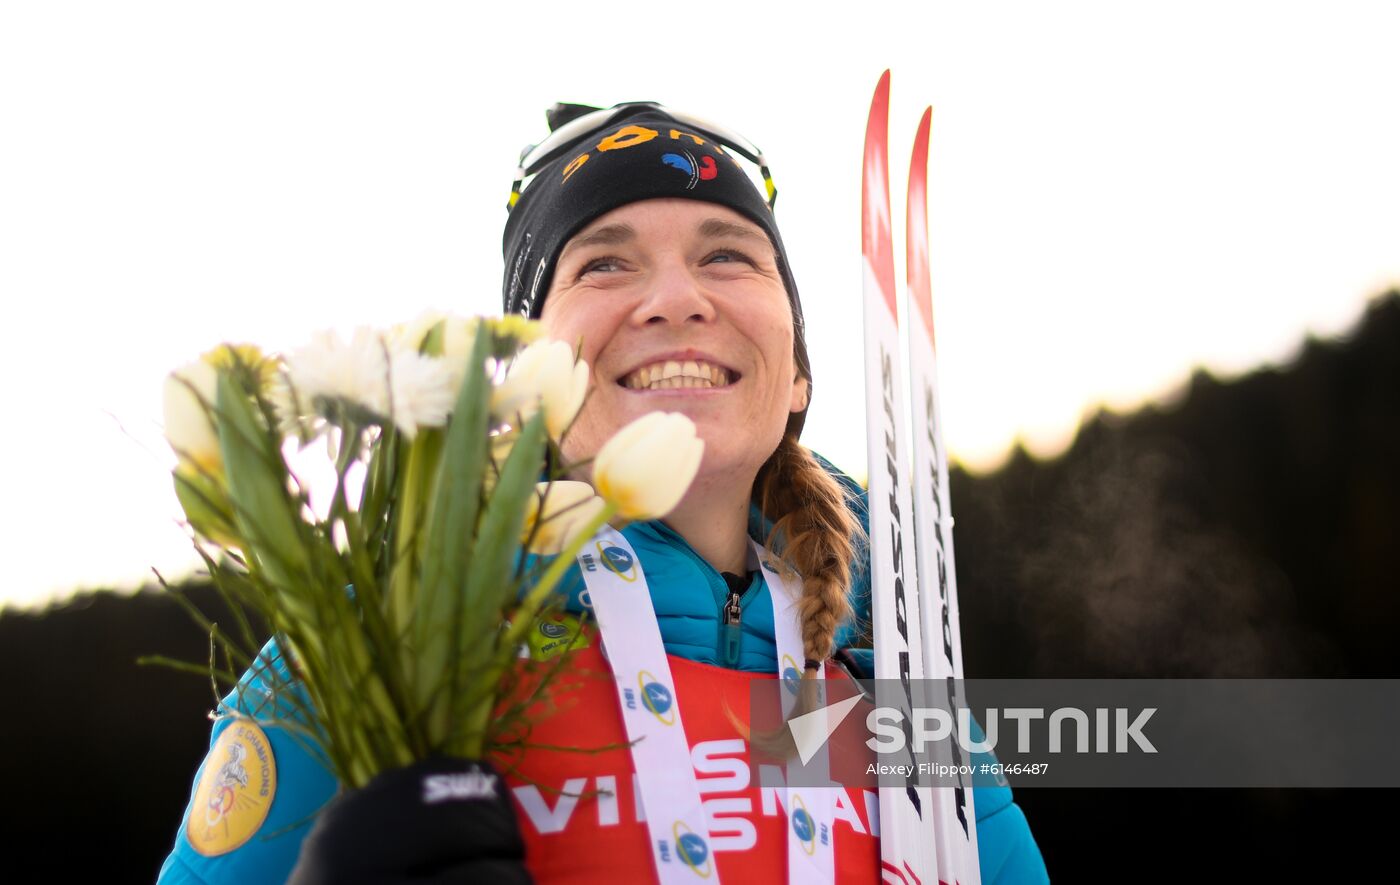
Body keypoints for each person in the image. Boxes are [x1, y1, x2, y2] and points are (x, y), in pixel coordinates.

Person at [157, 101, 1049, 884]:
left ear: (798, 381)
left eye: (729, 255)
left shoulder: (907, 712)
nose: (675, 297)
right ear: (522, 383)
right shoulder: (372, 660)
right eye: (603, 265)